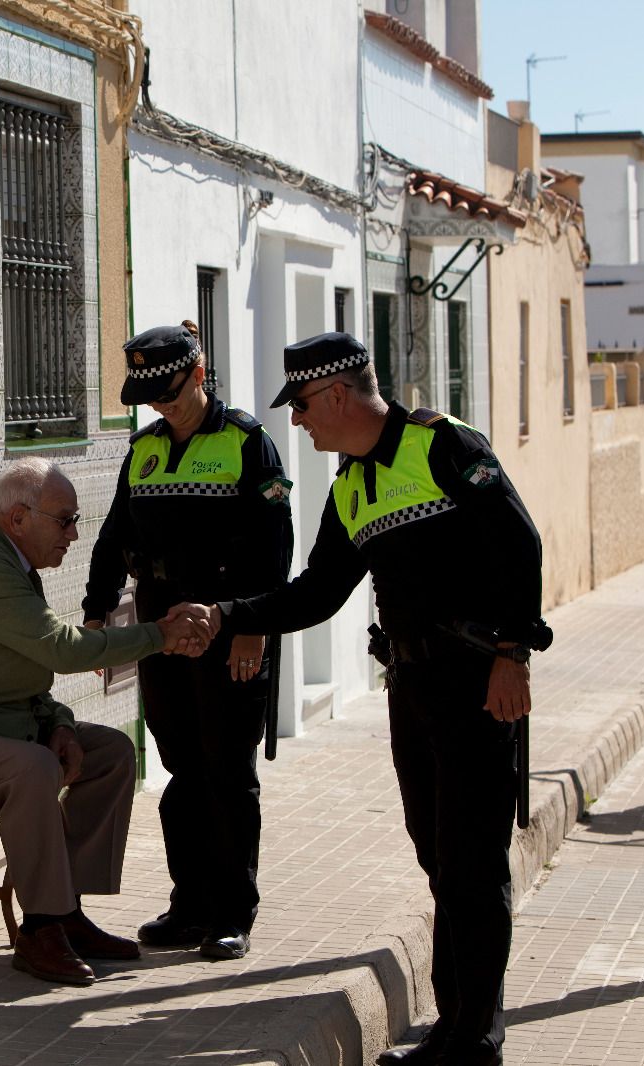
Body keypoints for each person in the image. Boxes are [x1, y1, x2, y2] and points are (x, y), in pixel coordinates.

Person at [213, 332, 545, 1066]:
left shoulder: (444, 447)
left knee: (472, 864)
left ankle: (474, 1041)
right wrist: (228, 616)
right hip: (413, 689)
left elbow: (519, 545)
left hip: (477, 682)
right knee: (438, 858)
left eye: (302, 405)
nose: (298, 420)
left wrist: (513, 654)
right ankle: (454, 1026)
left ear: (336, 394)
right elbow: (317, 592)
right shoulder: (351, 486)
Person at [0, 458, 216, 986]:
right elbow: (60, 649)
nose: (73, 533)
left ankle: (66, 911)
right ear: (18, 518)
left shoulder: (12, 561)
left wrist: (59, 723)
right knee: (31, 768)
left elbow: (28, 670)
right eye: (65, 520)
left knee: (111, 753)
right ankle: (40, 928)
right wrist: (160, 636)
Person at [82, 322, 294, 962]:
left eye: (169, 393)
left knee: (227, 771)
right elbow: (114, 535)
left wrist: (253, 627)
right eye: (149, 397)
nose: (160, 406)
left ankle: (231, 911)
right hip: (160, 629)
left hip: (229, 629)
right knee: (181, 770)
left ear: (199, 376)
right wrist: (96, 614)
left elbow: (273, 547)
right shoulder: (144, 449)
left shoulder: (247, 442)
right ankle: (189, 905)